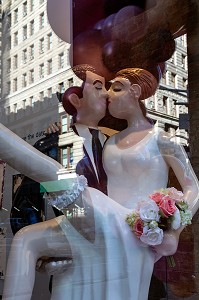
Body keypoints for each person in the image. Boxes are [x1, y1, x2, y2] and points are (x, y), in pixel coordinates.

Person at [2, 68, 199, 300]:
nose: (108, 94)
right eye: (104, 89)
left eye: (116, 88)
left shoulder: (163, 139)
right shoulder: (110, 141)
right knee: (26, 238)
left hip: (130, 227)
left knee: (55, 175)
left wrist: (173, 230)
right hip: (102, 219)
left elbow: (193, 188)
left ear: (135, 92)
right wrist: (50, 258)